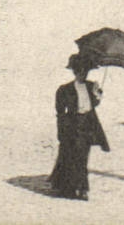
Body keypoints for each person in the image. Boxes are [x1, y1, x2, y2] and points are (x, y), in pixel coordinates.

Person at [49, 53, 109, 200]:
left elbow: (92, 105)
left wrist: (98, 95)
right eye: (80, 70)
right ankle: (66, 187)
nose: (83, 73)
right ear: (75, 72)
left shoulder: (91, 86)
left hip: (87, 126)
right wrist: (61, 130)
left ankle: (81, 188)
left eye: (85, 71)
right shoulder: (64, 89)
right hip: (71, 126)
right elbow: (60, 112)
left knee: (82, 158)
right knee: (68, 156)